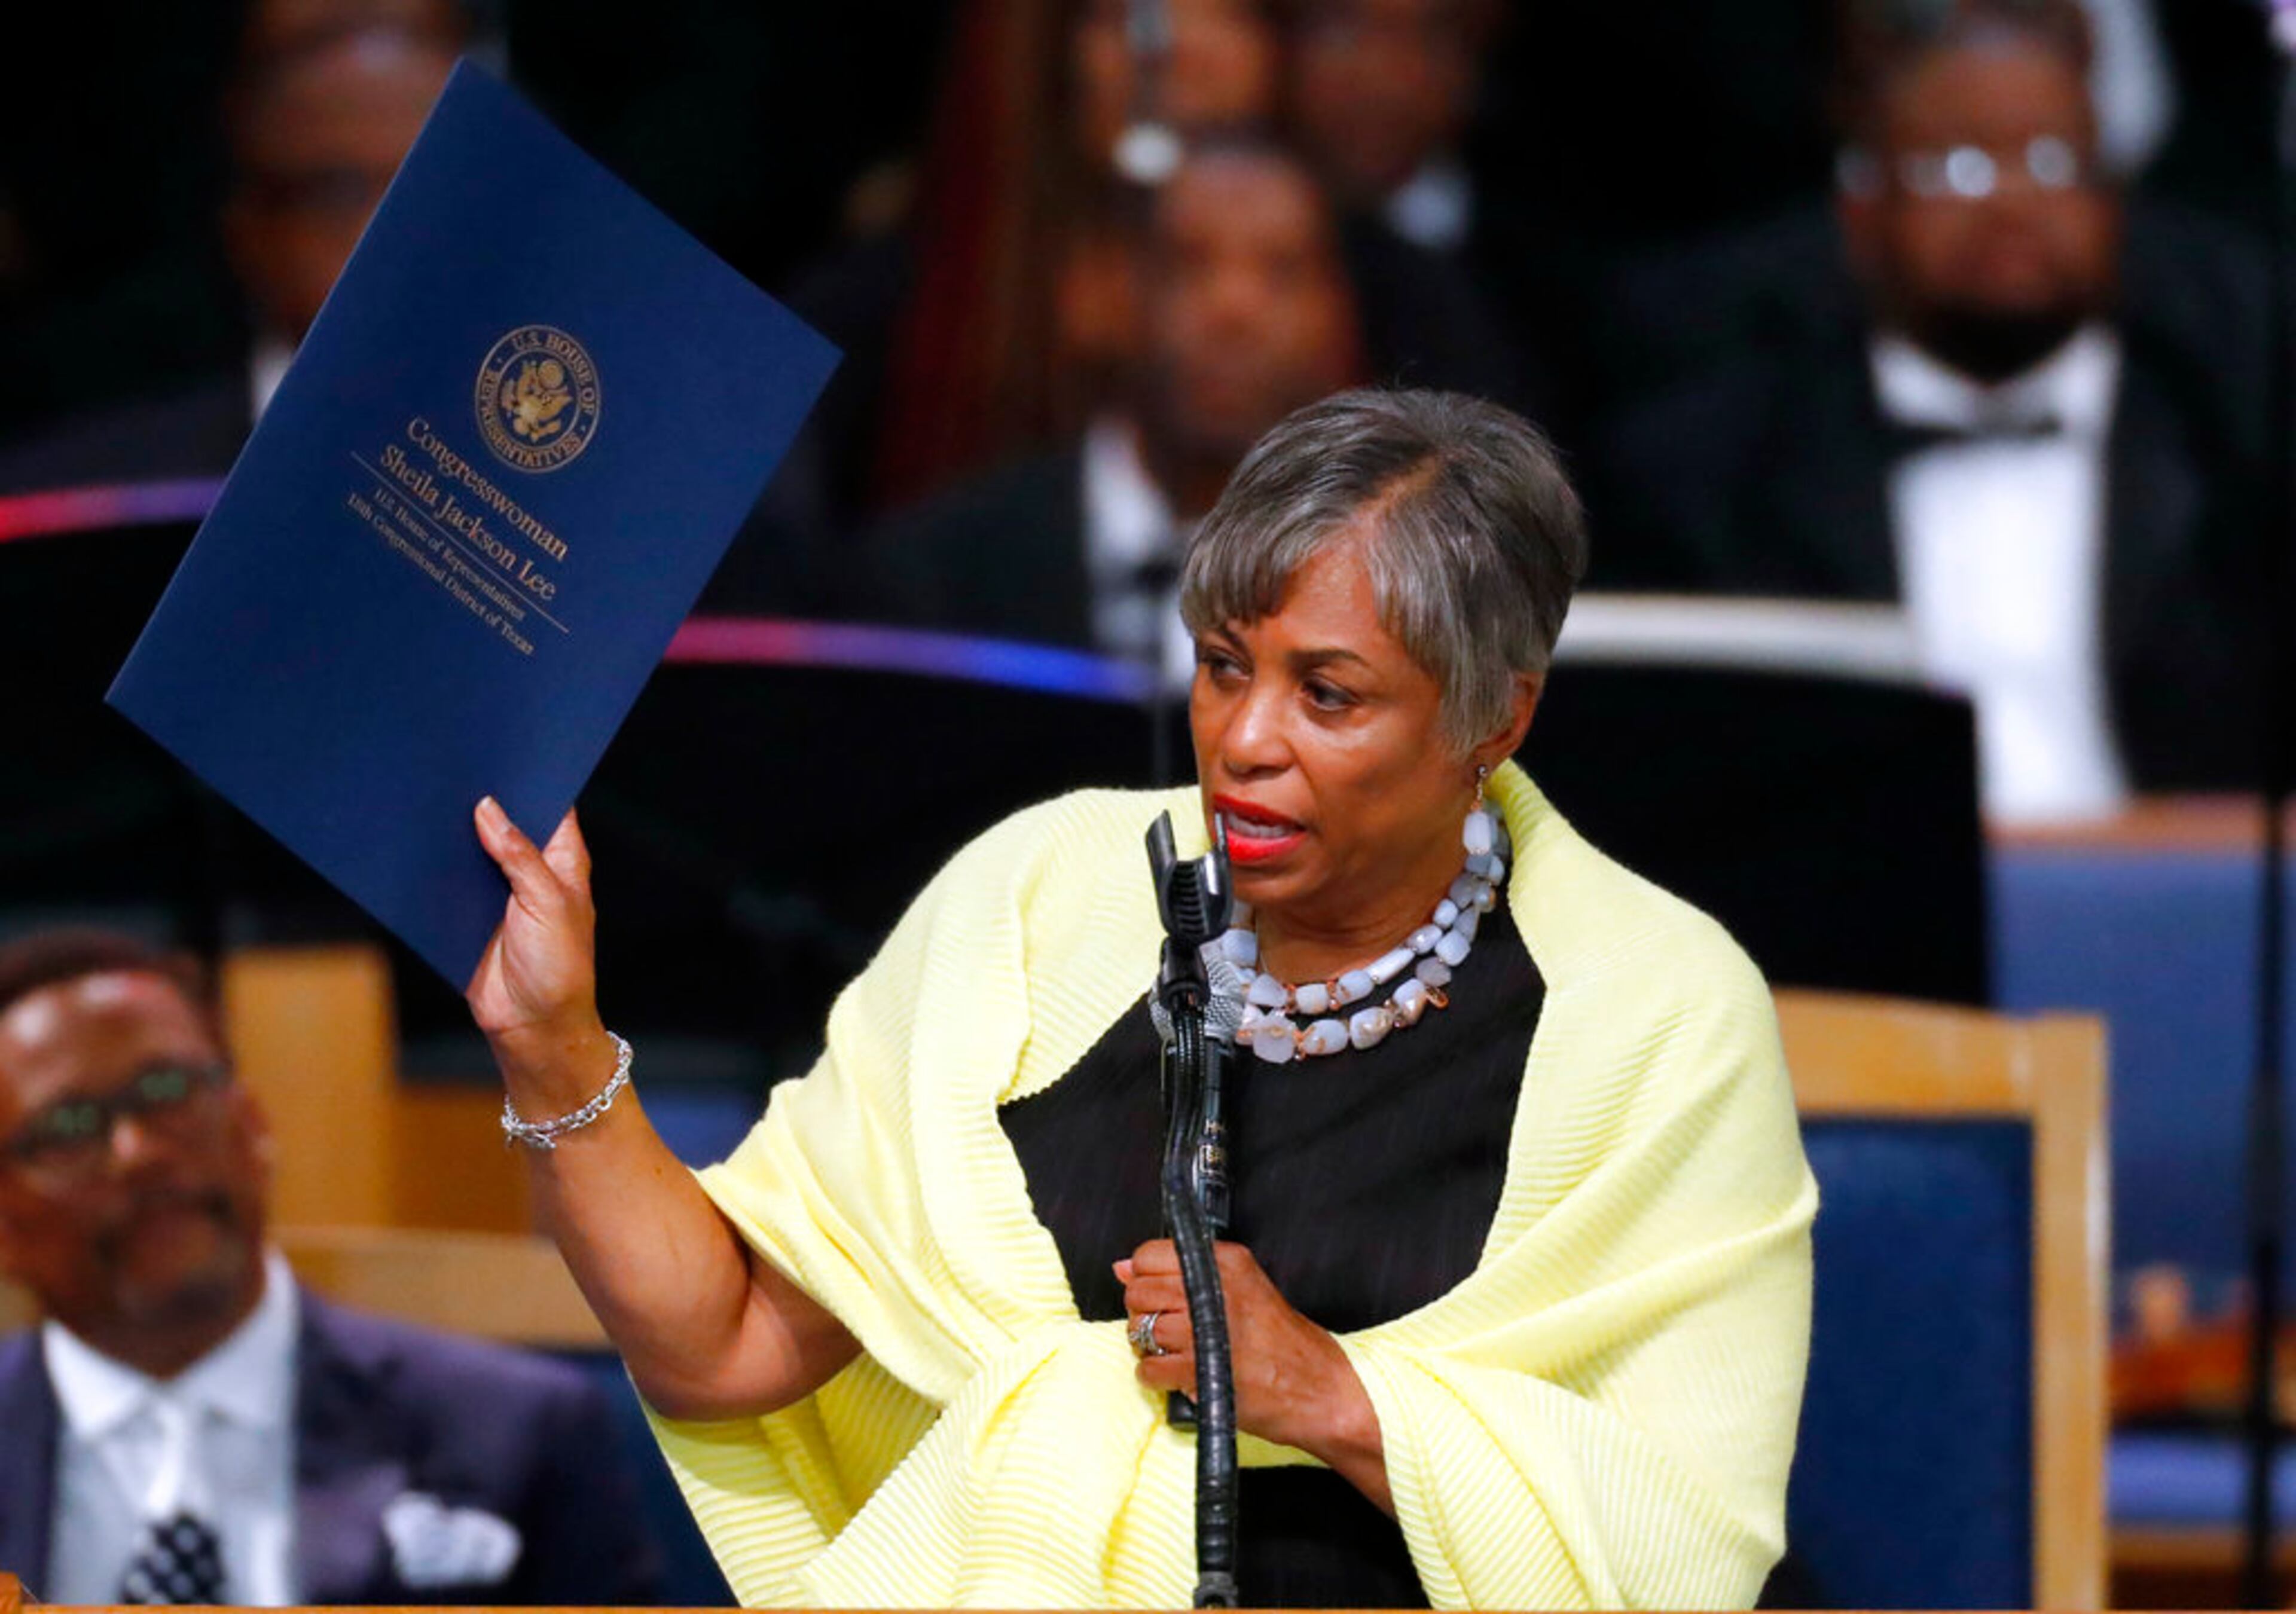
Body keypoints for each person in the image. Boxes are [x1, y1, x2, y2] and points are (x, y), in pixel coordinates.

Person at [469, 387, 1816, 1608]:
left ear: (1497, 720)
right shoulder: (1039, 899)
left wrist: (1330, 1396)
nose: (1242, 740)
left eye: (1327, 695)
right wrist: (550, 1042)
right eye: (1225, 665)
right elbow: (730, 1342)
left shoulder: (1661, 1012)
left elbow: (1686, 1540)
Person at [1589, 0, 2270, 822]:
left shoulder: (2248, 452)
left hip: (2186, 908)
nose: (2012, 204)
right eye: (1956, 166)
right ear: (1859, 218)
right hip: (1856, 928)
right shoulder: (1706, 478)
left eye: (2055, 163)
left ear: (2118, 208)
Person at [0, 929, 665, 1605]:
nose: (138, 1151)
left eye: (169, 1088)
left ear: (254, 1125)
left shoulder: (517, 1433)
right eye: (70, 1125)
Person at [847, 132, 1364, 685]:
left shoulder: (1396, 593)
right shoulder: (930, 581)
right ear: (1093, 294)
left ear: (1338, 316)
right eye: (1183, 264)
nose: (1232, 309)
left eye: (1283, 272)